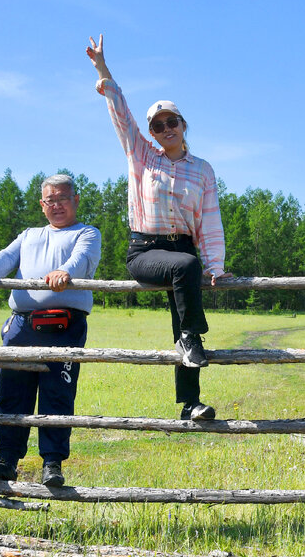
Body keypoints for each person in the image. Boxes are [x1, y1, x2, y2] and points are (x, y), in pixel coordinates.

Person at [86, 34, 228, 421]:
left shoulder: (202, 169)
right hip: (146, 251)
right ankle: (192, 336)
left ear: (184, 125)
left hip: (183, 248)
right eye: (158, 125)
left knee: (181, 313)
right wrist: (103, 69)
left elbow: (209, 220)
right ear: (151, 132)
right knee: (185, 288)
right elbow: (120, 113)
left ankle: (190, 404)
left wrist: (214, 265)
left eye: (172, 122)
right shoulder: (141, 155)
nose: (166, 128)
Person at [0, 174, 101, 488]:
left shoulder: (87, 233)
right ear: (42, 205)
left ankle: (52, 463)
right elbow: (5, 258)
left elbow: (81, 260)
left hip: (65, 325)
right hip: (23, 325)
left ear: (75, 200)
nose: (56, 205)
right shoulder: (29, 235)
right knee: (12, 394)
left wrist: (65, 271)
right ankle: (7, 461)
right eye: (50, 200)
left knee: (58, 393)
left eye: (63, 199)